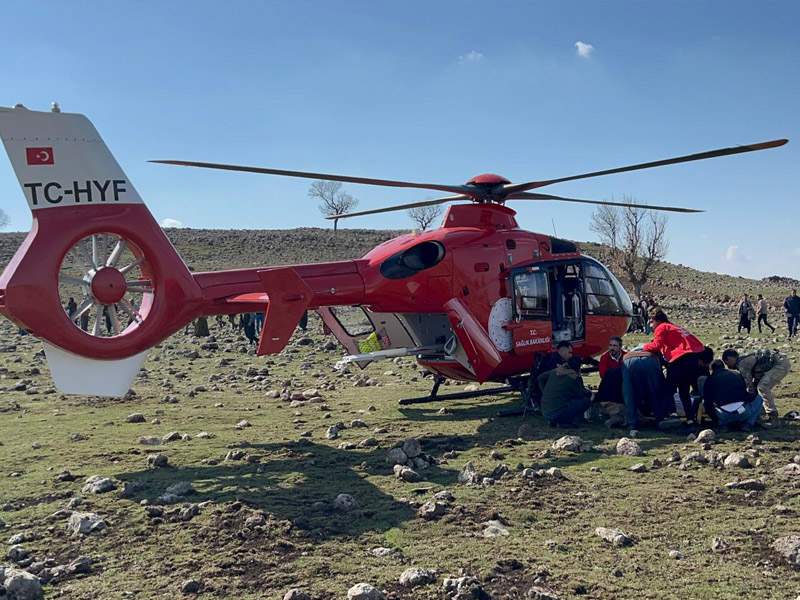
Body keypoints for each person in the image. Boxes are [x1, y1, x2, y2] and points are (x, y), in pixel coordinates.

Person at [642, 307, 705, 426]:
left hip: (680, 359)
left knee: (667, 389)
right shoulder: (675, 328)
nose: (650, 325)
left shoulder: (662, 327)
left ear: (657, 321)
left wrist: (644, 347)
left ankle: (672, 414)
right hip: (692, 360)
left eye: (651, 322)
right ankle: (690, 421)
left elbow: (657, 345)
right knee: (684, 392)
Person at [722, 348, 791, 429]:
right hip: (778, 362)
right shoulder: (744, 358)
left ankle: (773, 418)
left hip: (779, 364)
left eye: (727, 363)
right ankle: (761, 413)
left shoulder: (742, 363)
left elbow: (749, 386)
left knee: (763, 387)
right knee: (758, 386)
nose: (728, 366)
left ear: (729, 358)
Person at [620, 349, 676, 429]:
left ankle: (631, 422)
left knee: (629, 392)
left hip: (628, 360)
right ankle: (659, 420)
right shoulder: (658, 351)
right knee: (655, 391)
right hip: (649, 359)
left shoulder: (634, 349)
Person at [702, 359, 763, 432]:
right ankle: (748, 424)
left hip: (723, 415)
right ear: (724, 367)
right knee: (759, 399)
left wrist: (715, 420)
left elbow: (707, 403)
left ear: (711, 370)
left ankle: (722, 425)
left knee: (704, 402)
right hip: (742, 412)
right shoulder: (737, 374)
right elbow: (745, 394)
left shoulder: (710, 379)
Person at [538, 356, 592, 427]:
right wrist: (588, 393)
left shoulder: (557, 371)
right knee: (586, 402)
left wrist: (544, 391)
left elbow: (540, 378)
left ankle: (554, 421)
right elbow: (580, 394)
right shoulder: (573, 377)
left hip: (544, 410)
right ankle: (563, 422)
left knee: (564, 401)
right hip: (557, 412)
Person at [523, 341, 573, 410]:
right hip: (545, 391)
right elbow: (555, 380)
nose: (571, 355)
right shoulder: (554, 361)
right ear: (563, 351)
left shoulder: (551, 357)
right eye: (569, 352)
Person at [596, 336, 625, 427]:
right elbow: (603, 375)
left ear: (620, 347)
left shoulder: (626, 357)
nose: (612, 348)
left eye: (615, 346)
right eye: (610, 345)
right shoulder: (604, 358)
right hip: (610, 387)